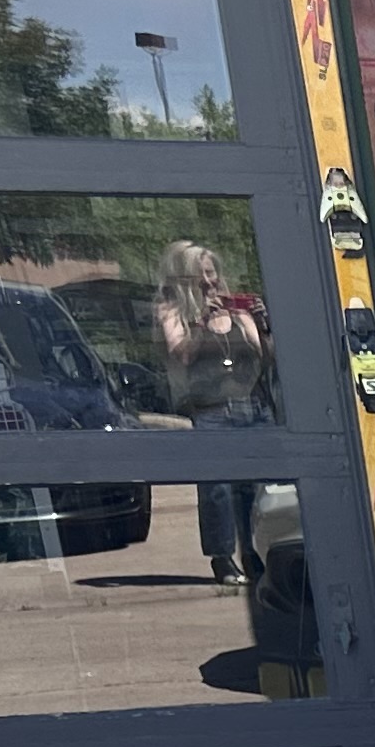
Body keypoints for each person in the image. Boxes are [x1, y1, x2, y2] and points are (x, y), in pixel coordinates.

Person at [154, 237, 272, 580]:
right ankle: (222, 558)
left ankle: (258, 554)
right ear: (187, 278)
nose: (210, 280)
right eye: (202, 273)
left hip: (252, 406)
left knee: (258, 486)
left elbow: (264, 357)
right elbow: (183, 353)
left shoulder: (237, 312)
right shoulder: (173, 311)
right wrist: (203, 321)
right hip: (211, 410)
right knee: (217, 490)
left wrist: (261, 323)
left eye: (213, 273)